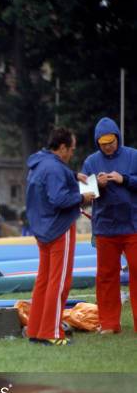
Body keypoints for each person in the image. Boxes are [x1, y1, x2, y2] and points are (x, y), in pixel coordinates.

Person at [26, 127, 94, 346]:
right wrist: (84, 196)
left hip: (42, 228)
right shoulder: (55, 168)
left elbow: (49, 178)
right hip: (59, 229)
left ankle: (36, 330)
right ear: (62, 147)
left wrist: (73, 175)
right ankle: (52, 332)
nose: (72, 153)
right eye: (71, 149)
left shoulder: (39, 161)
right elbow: (60, 199)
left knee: (44, 282)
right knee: (59, 283)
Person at [82, 117, 137, 334]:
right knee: (106, 277)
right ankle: (109, 324)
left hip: (133, 226)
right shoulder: (90, 162)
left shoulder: (133, 155)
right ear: (98, 143)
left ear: (118, 138)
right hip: (105, 228)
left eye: (111, 142)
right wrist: (98, 185)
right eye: (103, 144)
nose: (108, 147)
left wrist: (125, 179)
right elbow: (84, 195)